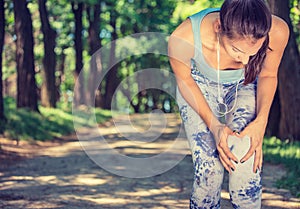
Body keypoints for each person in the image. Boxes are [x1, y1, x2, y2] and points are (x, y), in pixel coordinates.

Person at [168, 0, 289, 208]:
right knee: (210, 170)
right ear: (218, 28)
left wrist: (261, 121)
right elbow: (185, 81)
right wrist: (215, 126)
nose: (244, 61)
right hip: (197, 86)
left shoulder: (277, 31)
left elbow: (268, 74)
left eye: (253, 52)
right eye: (237, 50)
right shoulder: (183, 38)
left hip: (244, 84)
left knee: (245, 158)